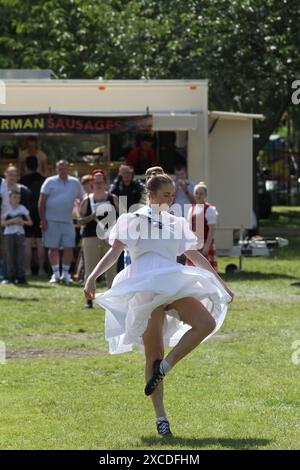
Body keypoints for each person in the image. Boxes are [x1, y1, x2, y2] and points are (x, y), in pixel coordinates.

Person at [84, 169, 233, 437]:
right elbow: (115, 251)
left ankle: (169, 365)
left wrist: (220, 282)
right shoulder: (132, 219)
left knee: (205, 322)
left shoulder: (176, 222)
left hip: (172, 282)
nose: (170, 199)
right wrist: (92, 277)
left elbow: (195, 256)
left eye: (172, 195)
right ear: (150, 195)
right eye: (165, 195)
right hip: (144, 287)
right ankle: (161, 418)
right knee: (153, 355)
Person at [38, 160, 84, 284]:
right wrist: (43, 220)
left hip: (68, 221)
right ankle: (56, 274)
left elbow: (83, 199)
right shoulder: (49, 182)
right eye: (60, 169)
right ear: (56, 170)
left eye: (65, 168)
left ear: (69, 169)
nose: (63, 171)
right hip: (50, 220)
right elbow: (41, 202)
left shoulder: (75, 182)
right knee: (53, 248)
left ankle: (66, 274)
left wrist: (82, 215)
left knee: (69, 247)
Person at [79, 169, 118, 308]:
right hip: (91, 237)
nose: (99, 184)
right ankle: (89, 300)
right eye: (96, 182)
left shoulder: (112, 198)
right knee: (90, 269)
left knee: (111, 270)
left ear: (105, 182)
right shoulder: (86, 200)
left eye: (101, 182)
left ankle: (112, 299)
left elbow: (123, 216)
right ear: (92, 183)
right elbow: (80, 221)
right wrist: (92, 216)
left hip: (109, 238)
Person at [110, 165, 145, 272]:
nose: (126, 176)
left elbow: (144, 194)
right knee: (120, 246)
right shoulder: (117, 186)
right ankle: (120, 271)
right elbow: (111, 195)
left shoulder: (136, 185)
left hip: (136, 219)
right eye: (124, 173)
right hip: (122, 220)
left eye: (128, 173)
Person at [20, 156, 46, 276]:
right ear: (38, 165)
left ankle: (27, 269)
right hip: (40, 213)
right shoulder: (44, 180)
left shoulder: (22, 180)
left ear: (26, 166)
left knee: (27, 242)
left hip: (27, 213)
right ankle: (41, 270)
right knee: (40, 242)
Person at [1, 189, 33, 284]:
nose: (16, 199)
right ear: (9, 198)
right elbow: (2, 223)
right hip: (8, 234)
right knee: (9, 256)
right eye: (14, 197)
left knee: (20, 256)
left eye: (18, 198)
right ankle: (10, 277)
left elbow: (30, 222)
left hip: (20, 234)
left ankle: (20, 277)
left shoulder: (22, 208)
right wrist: (13, 221)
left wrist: (22, 222)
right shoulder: (6, 209)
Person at [186, 182, 218, 270]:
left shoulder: (210, 209)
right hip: (194, 244)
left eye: (201, 193)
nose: (198, 195)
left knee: (208, 271)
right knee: (193, 270)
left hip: (205, 244)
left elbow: (212, 229)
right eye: (196, 193)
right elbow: (189, 228)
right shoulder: (191, 209)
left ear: (205, 195)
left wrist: (207, 246)